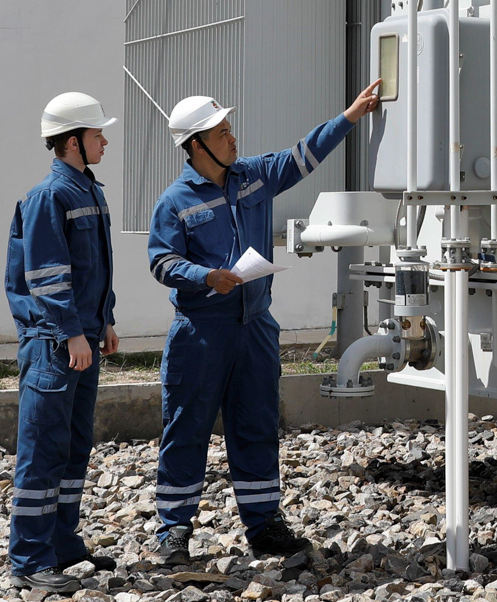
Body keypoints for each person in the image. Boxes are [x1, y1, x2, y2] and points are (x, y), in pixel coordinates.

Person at [147, 81, 382, 563]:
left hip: (254, 327)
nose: (234, 139)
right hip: (201, 333)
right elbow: (161, 263)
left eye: (231, 129)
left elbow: (303, 155)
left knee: (256, 422)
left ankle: (263, 523)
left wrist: (350, 116)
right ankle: (173, 530)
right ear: (196, 146)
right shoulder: (175, 202)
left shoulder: (252, 176)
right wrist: (206, 276)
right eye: (223, 133)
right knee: (186, 426)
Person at [3, 91, 122, 594]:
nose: (104, 141)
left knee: (74, 446)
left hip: (81, 339)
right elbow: (48, 277)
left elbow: (93, 269)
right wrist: (74, 332)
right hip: (55, 344)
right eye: (97, 134)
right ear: (73, 141)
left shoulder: (86, 190)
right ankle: (30, 560)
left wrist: (104, 322)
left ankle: (62, 544)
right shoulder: (50, 196)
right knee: (44, 449)